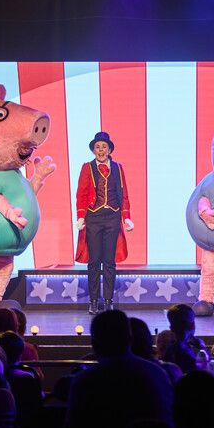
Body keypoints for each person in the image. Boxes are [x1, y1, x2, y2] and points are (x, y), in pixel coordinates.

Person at [74, 131, 134, 314]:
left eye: (104, 147)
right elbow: (82, 193)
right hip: (94, 218)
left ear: (109, 150)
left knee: (109, 262)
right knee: (94, 261)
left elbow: (123, 193)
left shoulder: (118, 167)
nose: (101, 150)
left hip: (113, 217)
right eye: (97, 147)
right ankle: (93, 301)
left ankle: (108, 301)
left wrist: (126, 217)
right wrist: (81, 216)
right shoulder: (87, 168)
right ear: (94, 150)